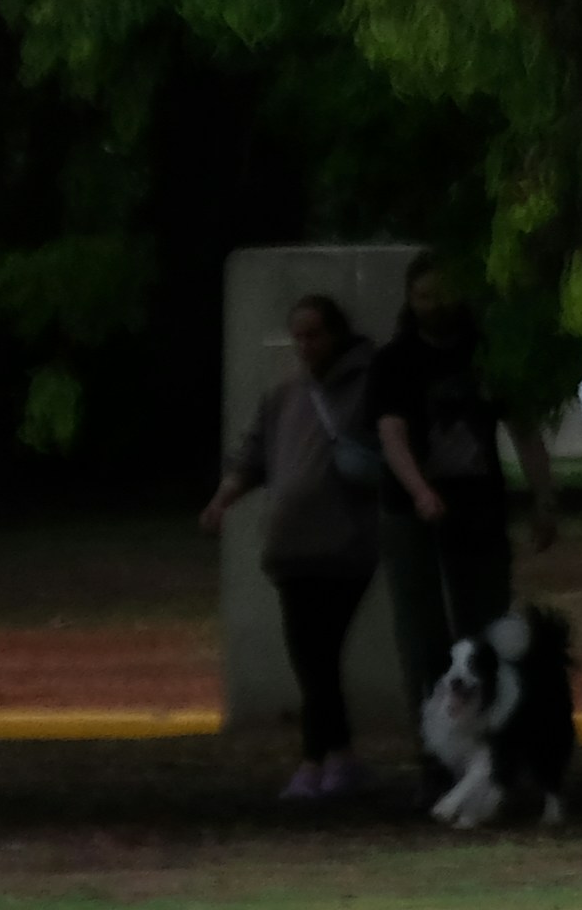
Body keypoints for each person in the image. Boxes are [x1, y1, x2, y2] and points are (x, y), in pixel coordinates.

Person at [361, 256, 556, 734]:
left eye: (443, 294)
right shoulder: (394, 361)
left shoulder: (487, 353)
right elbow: (392, 435)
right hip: (410, 512)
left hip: (479, 506)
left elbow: (525, 429)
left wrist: (544, 497)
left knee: (486, 624)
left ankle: (491, 742)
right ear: (410, 301)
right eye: (424, 296)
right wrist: (420, 491)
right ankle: (433, 746)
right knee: (421, 632)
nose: (435, 306)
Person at [200, 294, 380, 798]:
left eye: (314, 335)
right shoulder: (284, 395)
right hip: (292, 548)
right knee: (310, 657)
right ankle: (336, 758)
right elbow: (253, 454)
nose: (305, 346)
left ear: (336, 334)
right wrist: (221, 502)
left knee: (320, 654)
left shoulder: (367, 387)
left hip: (346, 545)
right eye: (298, 336)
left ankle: (313, 761)